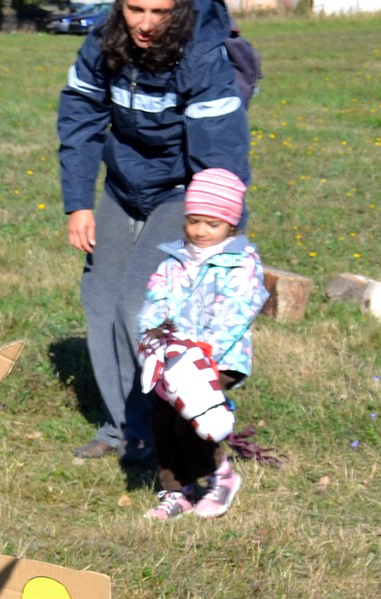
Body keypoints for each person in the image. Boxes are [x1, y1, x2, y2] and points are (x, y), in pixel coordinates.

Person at [57, 0, 250, 464]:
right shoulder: (104, 40)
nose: (144, 24)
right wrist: (79, 203)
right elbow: (81, 117)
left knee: (138, 307)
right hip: (123, 185)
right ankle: (120, 428)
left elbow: (220, 154)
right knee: (101, 300)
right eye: (135, 8)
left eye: (159, 11)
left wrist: (217, 232)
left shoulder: (202, 55)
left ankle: (159, 429)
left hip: (182, 192)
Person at [135, 168, 267, 520]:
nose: (200, 231)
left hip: (218, 357)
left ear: (231, 225)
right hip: (172, 358)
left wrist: (206, 353)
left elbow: (238, 310)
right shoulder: (175, 260)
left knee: (190, 416)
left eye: (212, 224)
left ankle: (219, 474)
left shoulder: (241, 262)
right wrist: (153, 338)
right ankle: (176, 490)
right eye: (193, 221)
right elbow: (156, 301)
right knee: (162, 418)